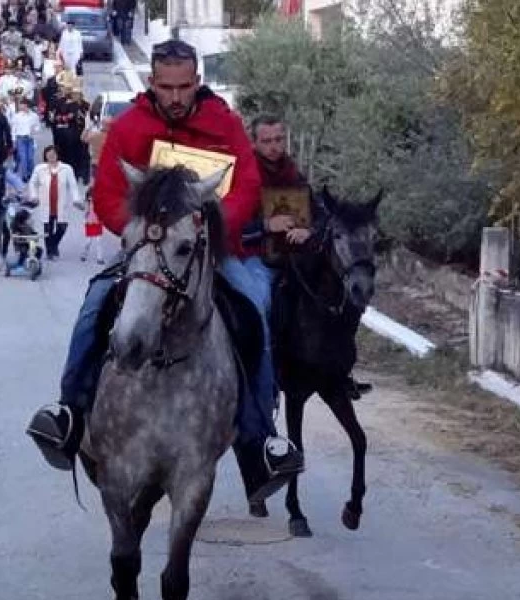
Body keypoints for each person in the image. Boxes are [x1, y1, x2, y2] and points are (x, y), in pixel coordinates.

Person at [25, 39, 305, 504]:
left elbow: (247, 186)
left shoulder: (225, 124)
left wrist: (213, 228)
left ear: (197, 82)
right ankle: (69, 411)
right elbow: (109, 194)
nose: (176, 97)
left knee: (254, 309)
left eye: (185, 87)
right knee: (96, 302)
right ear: (153, 83)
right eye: (166, 87)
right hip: (150, 249)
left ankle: (260, 441)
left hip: (215, 250)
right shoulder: (131, 126)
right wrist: (142, 231)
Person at [247, 116, 374, 400]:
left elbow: (320, 216)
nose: (274, 147)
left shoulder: (293, 174)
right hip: (256, 259)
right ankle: (266, 372)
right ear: (254, 143)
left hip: (295, 259)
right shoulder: (246, 176)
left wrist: (308, 229)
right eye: (266, 141)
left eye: (278, 140)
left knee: (339, 297)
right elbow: (233, 225)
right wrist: (267, 226)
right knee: (265, 304)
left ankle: (339, 369)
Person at [27, 145, 82, 260]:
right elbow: (32, 183)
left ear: (57, 155)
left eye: (53, 154)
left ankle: (54, 244)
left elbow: (73, 186)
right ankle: (50, 252)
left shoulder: (66, 168)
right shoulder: (39, 168)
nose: (51, 156)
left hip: (60, 203)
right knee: (48, 229)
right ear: (45, 155)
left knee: (62, 227)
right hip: (46, 203)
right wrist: (34, 196)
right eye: (48, 154)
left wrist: (76, 199)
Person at [10, 97, 42, 180]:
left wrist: (34, 130)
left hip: (30, 138)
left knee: (30, 158)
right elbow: (14, 128)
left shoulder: (34, 116)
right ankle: (25, 175)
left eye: (23, 105)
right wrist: (13, 140)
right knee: (23, 157)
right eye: (21, 105)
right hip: (20, 138)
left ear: (27, 106)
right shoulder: (17, 116)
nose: (21, 106)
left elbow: (38, 126)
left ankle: (31, 173)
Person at [80, 197, 105, 264]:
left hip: (98, 223)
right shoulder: (88, 201)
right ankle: (84, 255)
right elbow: (85, 211)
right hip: (90, 223)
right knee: (88, 242)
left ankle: (100, 258)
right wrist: (85, 219)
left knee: (99, 242)